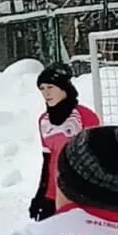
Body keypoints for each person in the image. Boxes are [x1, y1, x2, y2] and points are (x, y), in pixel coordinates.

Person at [33, 64, 100, 222]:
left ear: (64, 88)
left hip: (80, 195)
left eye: (50, 87)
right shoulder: (44, 121)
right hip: (53, 194)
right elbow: (48, 160)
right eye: (42, 88)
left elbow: (96, 159)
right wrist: (41, 194)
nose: (46, 93)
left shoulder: (85, 116)